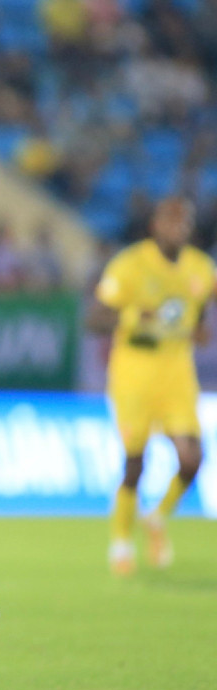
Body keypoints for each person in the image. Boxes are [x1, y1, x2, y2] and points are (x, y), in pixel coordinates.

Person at [86, 197, 215, 576]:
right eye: (170, 221)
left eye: (184, 223)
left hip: (177, 375)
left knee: (192, 459)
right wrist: (132, 315)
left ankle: (157, 517)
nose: (177, 228)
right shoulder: (129, 265)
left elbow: (202, 309)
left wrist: (198, 328)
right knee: (134, 465)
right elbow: (94, 319)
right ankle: (121, 542)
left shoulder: (201, 268)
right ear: (155, 225)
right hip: (134, 376)